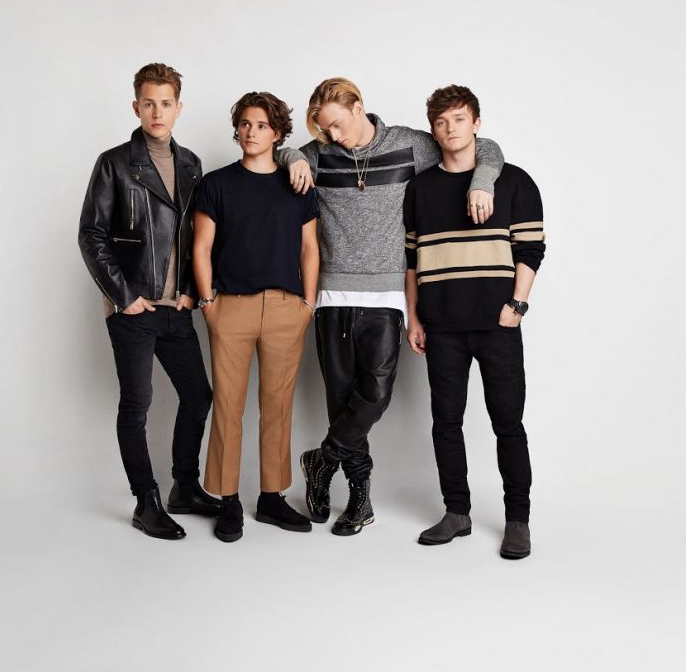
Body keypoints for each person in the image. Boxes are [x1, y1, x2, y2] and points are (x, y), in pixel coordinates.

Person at [278, 78, 503, 536]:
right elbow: (281, 153)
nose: (333, 136)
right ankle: (359, 501)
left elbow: (482, 147)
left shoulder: (408, 145)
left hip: (386, 294)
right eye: (324, 130)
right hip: (332, 294)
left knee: (375, 395)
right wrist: (294, 156)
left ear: (358, 107)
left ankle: (321, 459)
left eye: (338, 124)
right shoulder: (320, 153)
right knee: (341, 402)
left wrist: (482, 182)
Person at [78, 63, 221, 539]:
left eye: (166, 103)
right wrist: (124, 297)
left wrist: (190, 291)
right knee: (137, 402)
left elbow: (197, 235)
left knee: (198, 397)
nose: (157, 112)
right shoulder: (114, 163)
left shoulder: (191, 164)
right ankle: (146, 501)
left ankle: (185, 487)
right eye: (148, 103)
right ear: (135, 107)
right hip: (133, 309)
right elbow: (91, 234)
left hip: (175, 309)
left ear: (179, 108)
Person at [404, 85, 545, 559]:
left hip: (497, 324)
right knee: (446, 423)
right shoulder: (420, 188)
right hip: (441, 326)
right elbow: (411, 260)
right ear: (433, 130)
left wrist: (516, 307)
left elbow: (531, 250)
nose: (451, 129)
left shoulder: (515, 181)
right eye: (441, 122)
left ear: (477, 123)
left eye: (459, 119)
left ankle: (518, 520)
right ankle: (457, 512)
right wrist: (414, 317)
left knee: (508, 423)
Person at [193, 91, 319, 543]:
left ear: (278, 133)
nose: (251, 132)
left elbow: (310, 248)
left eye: (262, 125)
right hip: (230, 307)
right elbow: (201, 248)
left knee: (277, 406)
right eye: (245, 124)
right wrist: (207, 304)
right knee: (228, 406)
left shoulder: (298, 185)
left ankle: (271, 496)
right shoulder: (216, 184)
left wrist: (307, 304)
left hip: (286, 308)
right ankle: (227, 499)